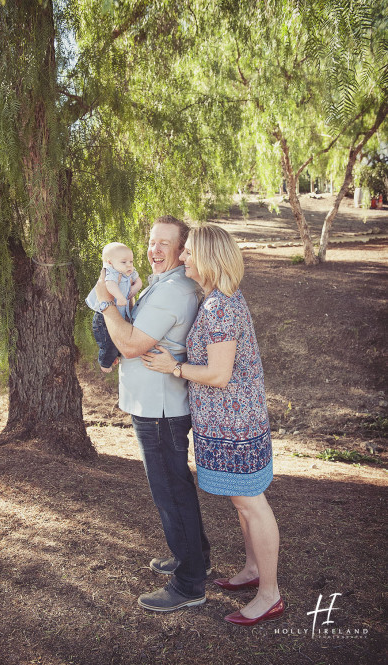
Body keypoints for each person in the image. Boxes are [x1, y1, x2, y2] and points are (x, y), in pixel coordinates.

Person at [141, 224, 284, 626]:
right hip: (229, 422)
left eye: (188, 253)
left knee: (251, 504)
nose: (182, 258)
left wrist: (175, 367)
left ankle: (270, 595)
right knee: (243, 504)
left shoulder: (220, 306)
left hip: (234, 425)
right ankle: (254, 570)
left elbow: (220, 375)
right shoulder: (219, 299)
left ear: (207, 257)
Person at [94, 216, 211, 612]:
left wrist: (105, 303)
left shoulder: (172, 291)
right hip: (156, 403)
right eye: (151, 241)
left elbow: (129, 345)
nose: (154, 250)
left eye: (165, 244)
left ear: (182, 250)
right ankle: (195, 560)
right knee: (175, 489)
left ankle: (189, 583)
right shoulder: (162, 284)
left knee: (171, 493)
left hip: (160, 410)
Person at [86, 242, 142, 373]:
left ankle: (113, 357)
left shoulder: (129, 270)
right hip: (103, 317)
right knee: (108, 342)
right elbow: (110, 285)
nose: (129, 265)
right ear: (110, 262)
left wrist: (134, 288)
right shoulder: (110, 272)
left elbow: (139, 281)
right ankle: (104, 363)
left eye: (131, 261)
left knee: (117, 340)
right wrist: (120, 297)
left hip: (118, 313)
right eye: (124, 262)